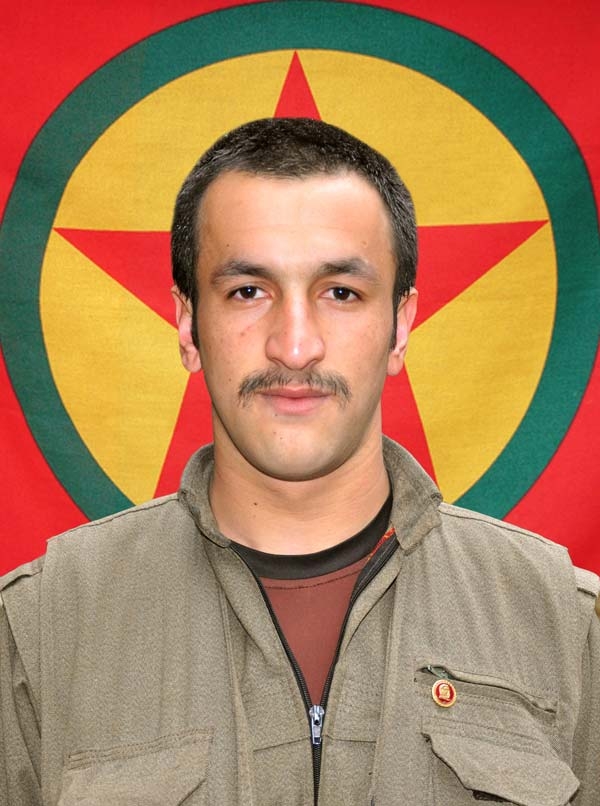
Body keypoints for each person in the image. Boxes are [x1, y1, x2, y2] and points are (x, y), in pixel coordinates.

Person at [1, 117, 598, 806]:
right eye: (248, 291)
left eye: (341, 292)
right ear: (188, 325)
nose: (294, 345)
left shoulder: (565, 627)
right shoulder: (38, 633)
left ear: (400, 327)